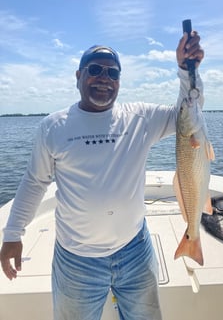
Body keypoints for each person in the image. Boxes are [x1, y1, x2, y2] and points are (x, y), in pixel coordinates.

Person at [0, 31, 204, 320]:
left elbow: (189, 113)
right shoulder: (53, 127)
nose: (104, 78)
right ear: (78, 75)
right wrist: (12, 234)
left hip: (135, 249)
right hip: (76, 259)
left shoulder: (140, 118)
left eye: (112, 73)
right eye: (95, 70)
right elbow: (34, 183)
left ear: (119, 80)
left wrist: (187, 70)